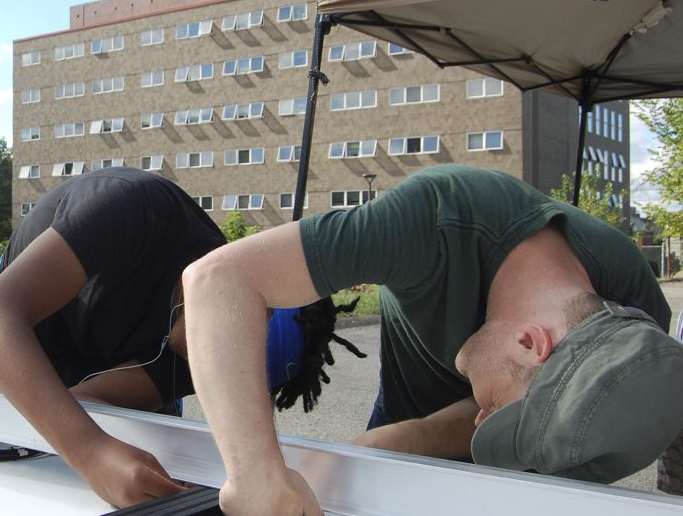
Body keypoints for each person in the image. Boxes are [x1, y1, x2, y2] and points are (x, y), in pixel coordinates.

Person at [182, 164, 683, 515]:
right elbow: (218, 280)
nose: (480, 418)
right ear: (531, 343)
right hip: (402, 414)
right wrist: (256, 475)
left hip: (516, 471)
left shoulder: (639, 339)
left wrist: (424, 437)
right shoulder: (438, 217)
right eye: (497, 409)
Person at [0, 167, 363, 508]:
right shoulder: (136, 207)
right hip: (12, 345)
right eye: (234, 353)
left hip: (81, 357)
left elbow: (87, 402)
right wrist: (91, 451)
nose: (212, 373)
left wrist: (128, 461)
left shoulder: (207, 368)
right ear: (244, 295)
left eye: (238, 384)